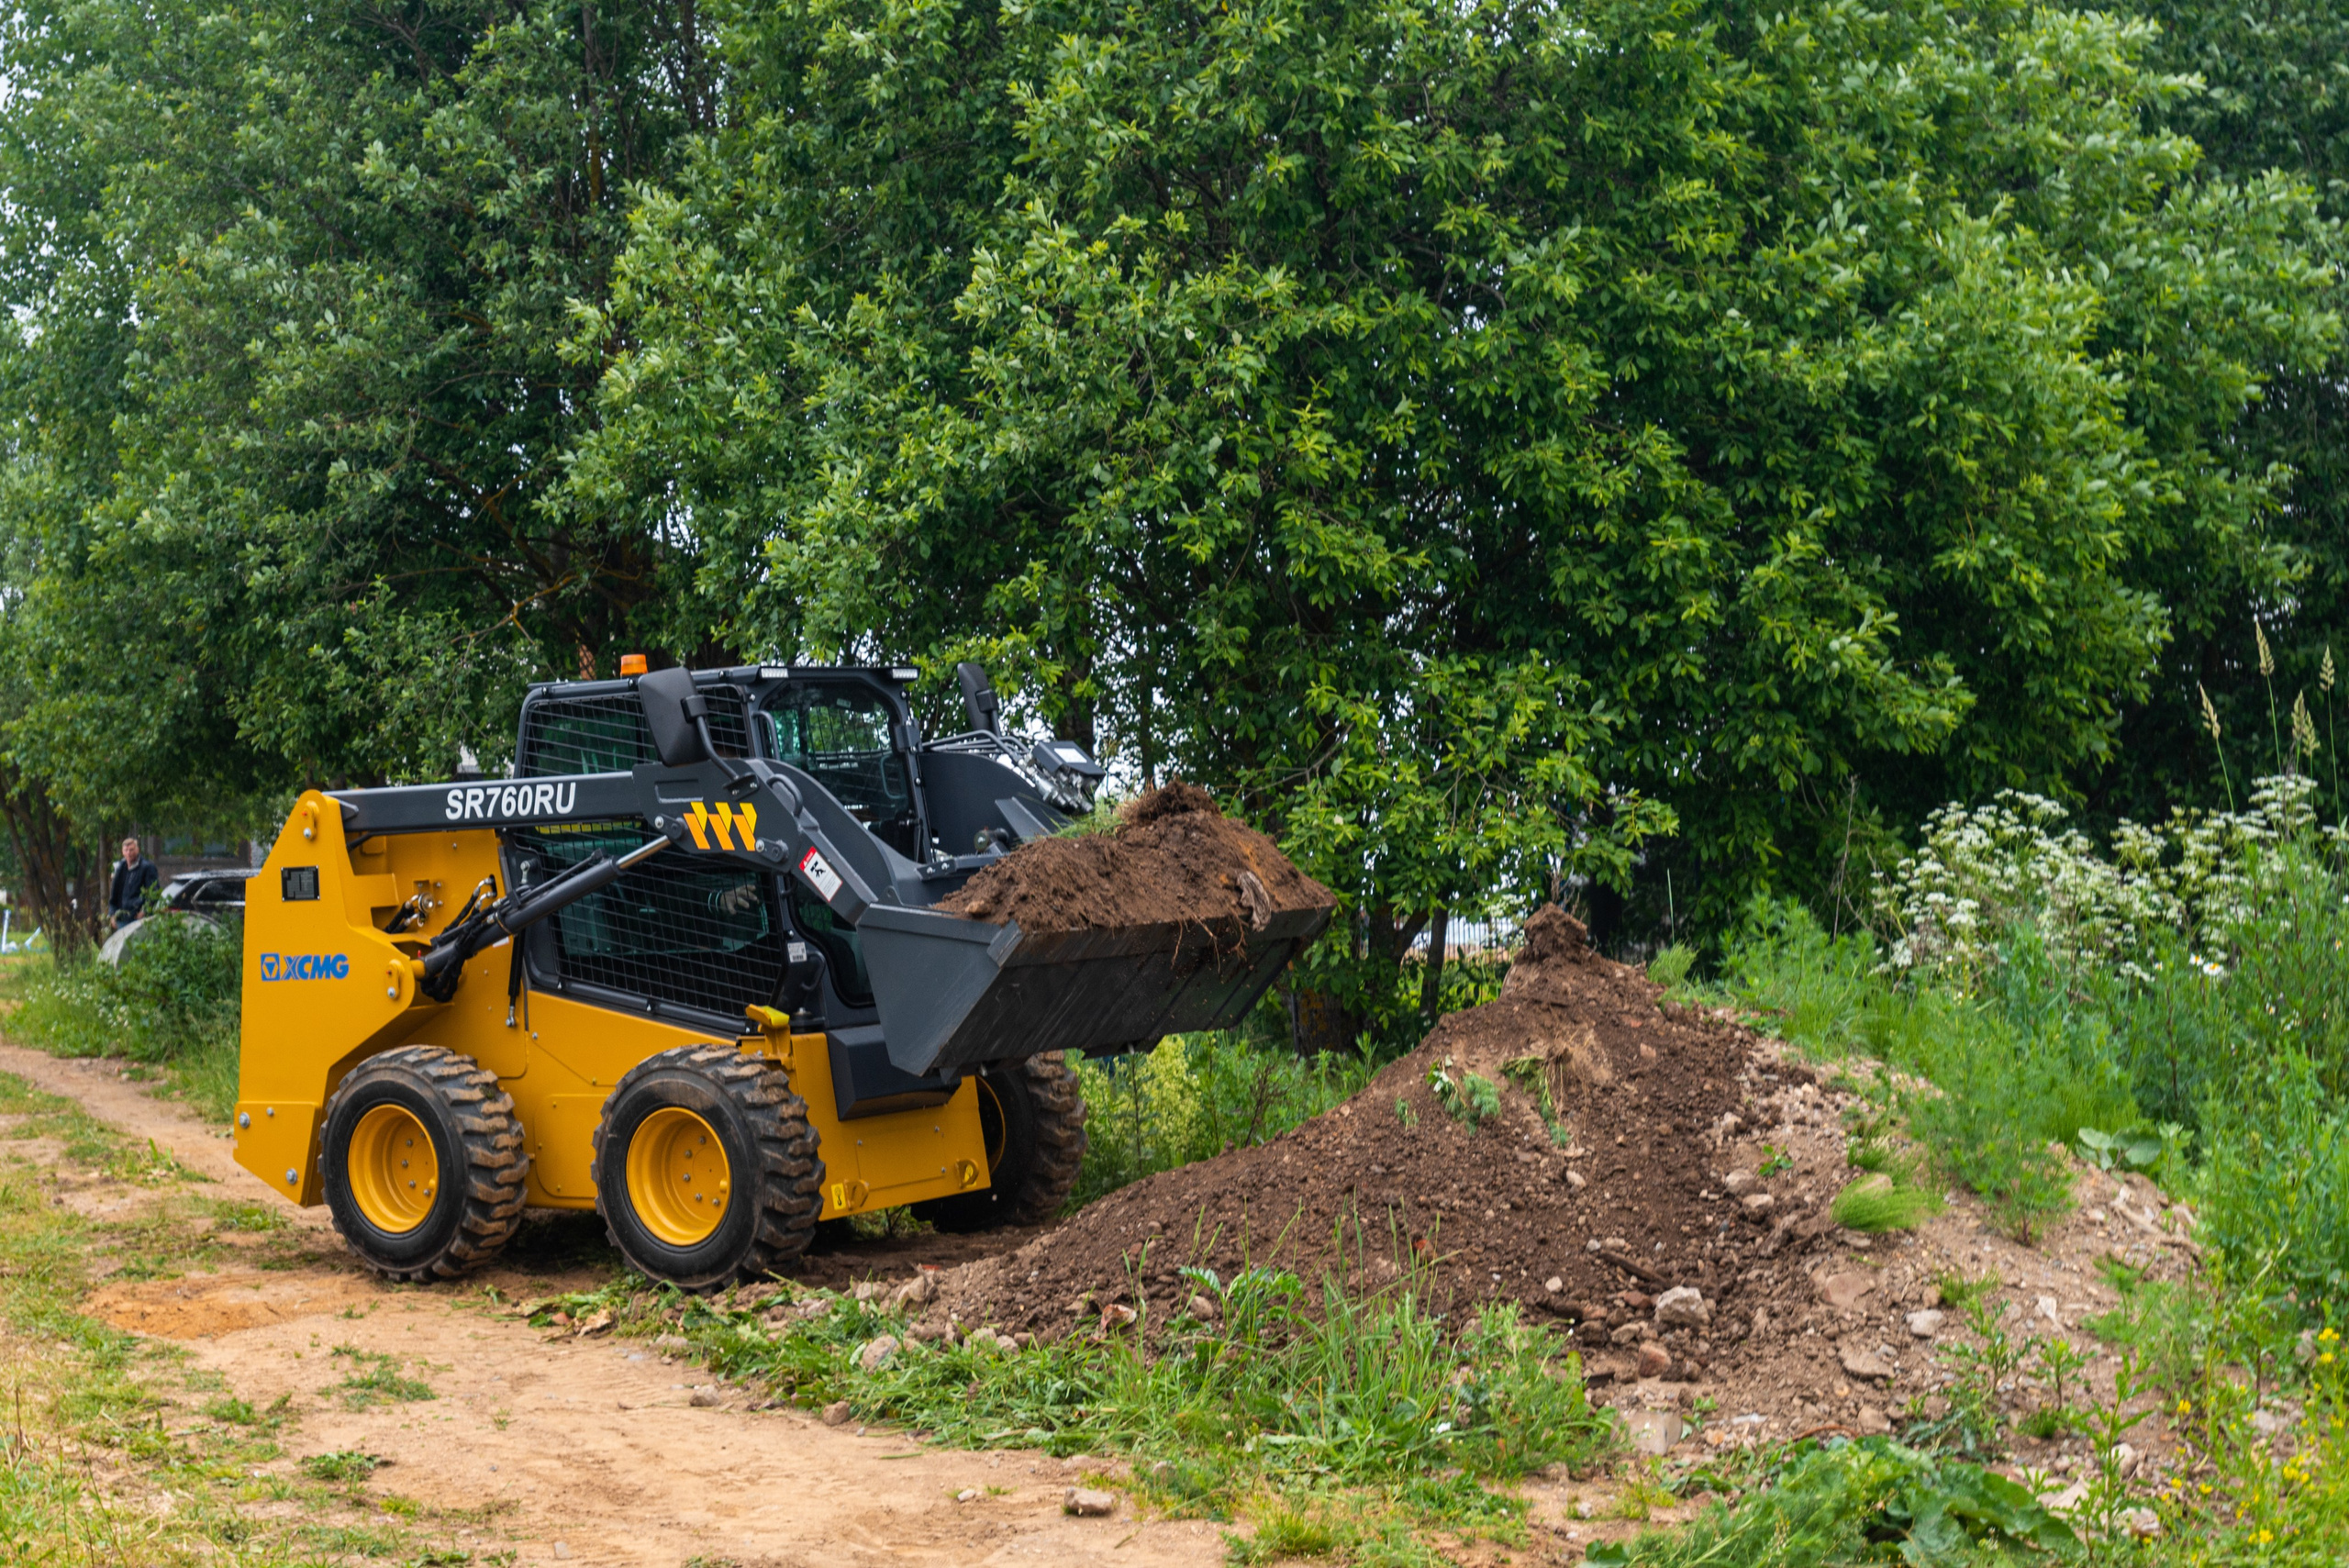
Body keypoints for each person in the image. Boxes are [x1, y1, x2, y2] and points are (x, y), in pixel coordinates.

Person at [107, 837, 161, 930]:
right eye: (126, 850)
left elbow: (154, 892)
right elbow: (114, 894)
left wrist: (144, 911)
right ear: (123, 852)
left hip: (139, 918)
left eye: (131, 850)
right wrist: (112, 914)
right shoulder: (120, 868)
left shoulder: (147, 868)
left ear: (137, 850)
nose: (129, 853)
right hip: (122, 918)